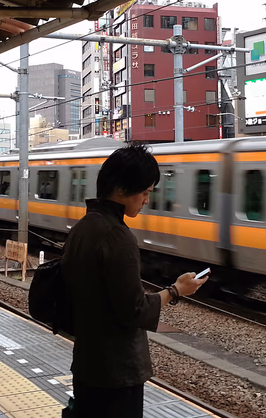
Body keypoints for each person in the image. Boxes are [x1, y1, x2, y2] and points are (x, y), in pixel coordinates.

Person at [61, 143, 209, 418]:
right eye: (144, 192)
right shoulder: (118, 236)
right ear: (121, 189)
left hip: (86, 361)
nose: (146, 200)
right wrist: (176, 291)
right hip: (116, 370)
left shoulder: (84, 226)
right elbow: (134, 310)